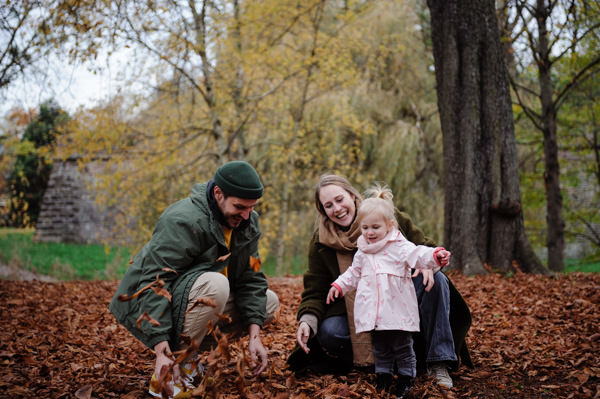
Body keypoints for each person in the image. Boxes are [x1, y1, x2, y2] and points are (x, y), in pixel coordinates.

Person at [109, 161, 279, 398]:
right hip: (149, 299)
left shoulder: (248, 222)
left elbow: (252, 276)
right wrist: (161, 350)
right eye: (240, 207)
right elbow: (154, 281)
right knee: (216, 285)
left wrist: (255, 337)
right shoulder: (183, 220)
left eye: (252, 208)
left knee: (268, 301)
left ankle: (191, 360)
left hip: (197, 296)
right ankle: (170, 372)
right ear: (218, 193)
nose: (246, 215)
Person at [287, 174, 472, 390]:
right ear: (322, 210)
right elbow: (315, 289)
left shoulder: (384, 215)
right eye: (328, 205)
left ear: (352, 195)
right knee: (330, 331)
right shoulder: (321, 241)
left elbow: (425, 246)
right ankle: (380, 358)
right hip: (363, 307)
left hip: (398, 295)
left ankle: (438, 360)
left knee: (437, 280)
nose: (337, 208)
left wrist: (429, 264)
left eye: (339, 199)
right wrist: (306, 321)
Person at [326, 184, 451, 397]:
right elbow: (353, 273)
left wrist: (434, 256)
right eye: (365, 228)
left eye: (375, 227)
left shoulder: (398, 246)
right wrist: (339, 285)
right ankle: (383, 376)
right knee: (381, 348)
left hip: (398, 309)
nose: (370, 233)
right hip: (376, 312)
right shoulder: (363, 251)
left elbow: (418, 253)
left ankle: (406, 377)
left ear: (389, 225)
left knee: (402, 347)